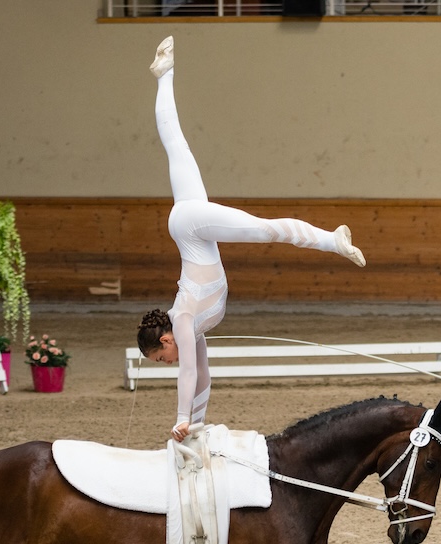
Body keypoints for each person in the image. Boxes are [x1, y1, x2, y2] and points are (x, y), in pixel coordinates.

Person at [136, 36, 367, 444]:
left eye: (160, 357)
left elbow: (188, 373)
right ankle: (164, 75)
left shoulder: (185, 323)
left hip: (190, 225)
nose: (167, 362)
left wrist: (178, 416)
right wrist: (193, 427)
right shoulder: (191, 330)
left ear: (166, 340)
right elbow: (203, 375)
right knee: (176, 145)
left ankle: (332, 240)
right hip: (191, 226)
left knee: (261, 229)